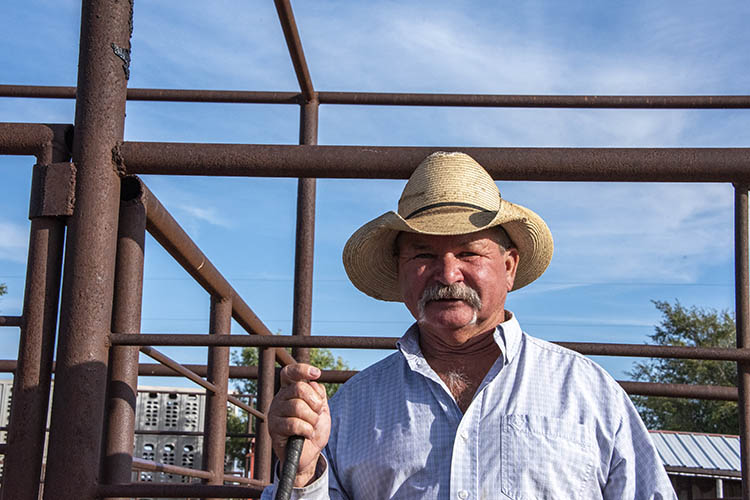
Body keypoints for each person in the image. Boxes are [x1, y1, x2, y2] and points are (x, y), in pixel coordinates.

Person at [261, 152, 676, 499]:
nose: (447, 273)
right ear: (401, 273)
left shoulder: (587, 392)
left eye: (469, 253)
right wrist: (301, 473)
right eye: (423, 254)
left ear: (509, 267)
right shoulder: (350, 409)